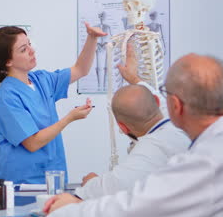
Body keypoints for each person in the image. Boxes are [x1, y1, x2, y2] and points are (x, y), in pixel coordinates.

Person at [43, 54, 223, 217]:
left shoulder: (206, 161)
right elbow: (154, 105)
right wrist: (135, 79)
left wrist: (69, 209)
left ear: (176, 106)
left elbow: (131, 210)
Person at [0, 23, 106, 184]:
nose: (31, 50)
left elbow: (80, 69)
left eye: (29, 44)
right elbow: (32, 143)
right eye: (23, 49)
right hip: (22, 183)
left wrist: (92, 38)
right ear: (8, 61)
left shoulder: (42, 80)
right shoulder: (6, 98)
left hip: (52, 175)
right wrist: (69, 118)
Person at [75, 44, 189, 199]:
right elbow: (155, 96)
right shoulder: (181, 121)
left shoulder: (149, 151)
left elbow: (110, 186)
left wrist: (91, 182)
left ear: (122, 127)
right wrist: (133, 78)